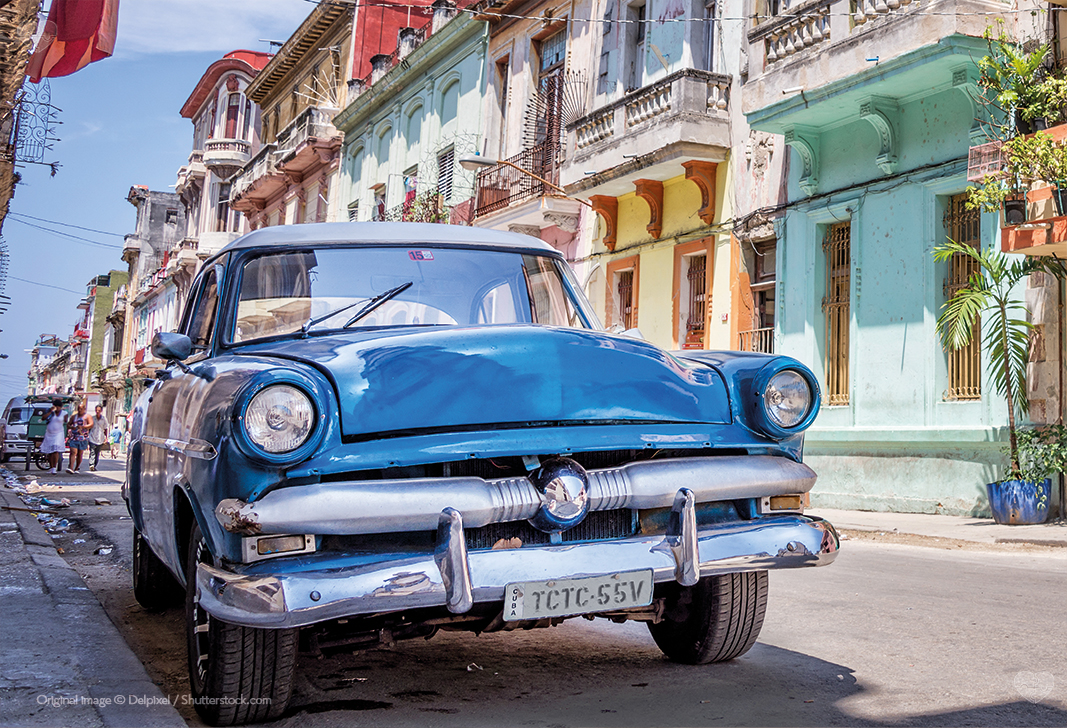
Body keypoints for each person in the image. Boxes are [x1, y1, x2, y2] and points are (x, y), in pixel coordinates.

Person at [41, 399, 67, 474]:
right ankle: (51, 466)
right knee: (50, 451)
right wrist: (50, 411)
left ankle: (54, 468)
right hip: (49, 434)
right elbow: (43, 418)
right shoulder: (50, 412)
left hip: (59, 433)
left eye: (58, 407)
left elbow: (66, 420)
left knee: (55, 449)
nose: (57, 408)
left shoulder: (64, 413)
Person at [66, 402, 90, 474]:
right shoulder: (74, 417)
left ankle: (76, 468)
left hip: (83, 437)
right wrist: (71, 427)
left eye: (81, 409)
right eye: (79, 408)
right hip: (74, 437)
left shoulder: (87, 417)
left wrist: (83, 427)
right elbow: (68, 425)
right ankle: (71, 468)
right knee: (73, 452)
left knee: (80, 453)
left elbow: (91, 425)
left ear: (84, 409)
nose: (80, 410)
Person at [88, 404, 109, 471]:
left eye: (99, 410)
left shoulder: (104, 419)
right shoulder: (92, 418)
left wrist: (106, 438)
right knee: (92, 452)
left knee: (97, 453)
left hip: (100, 438)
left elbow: (105, 428)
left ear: (101, 411)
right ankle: (91, 464)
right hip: (92, 437)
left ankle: (94, 465)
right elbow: (89, 428)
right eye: (97, 410)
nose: (97, 412)